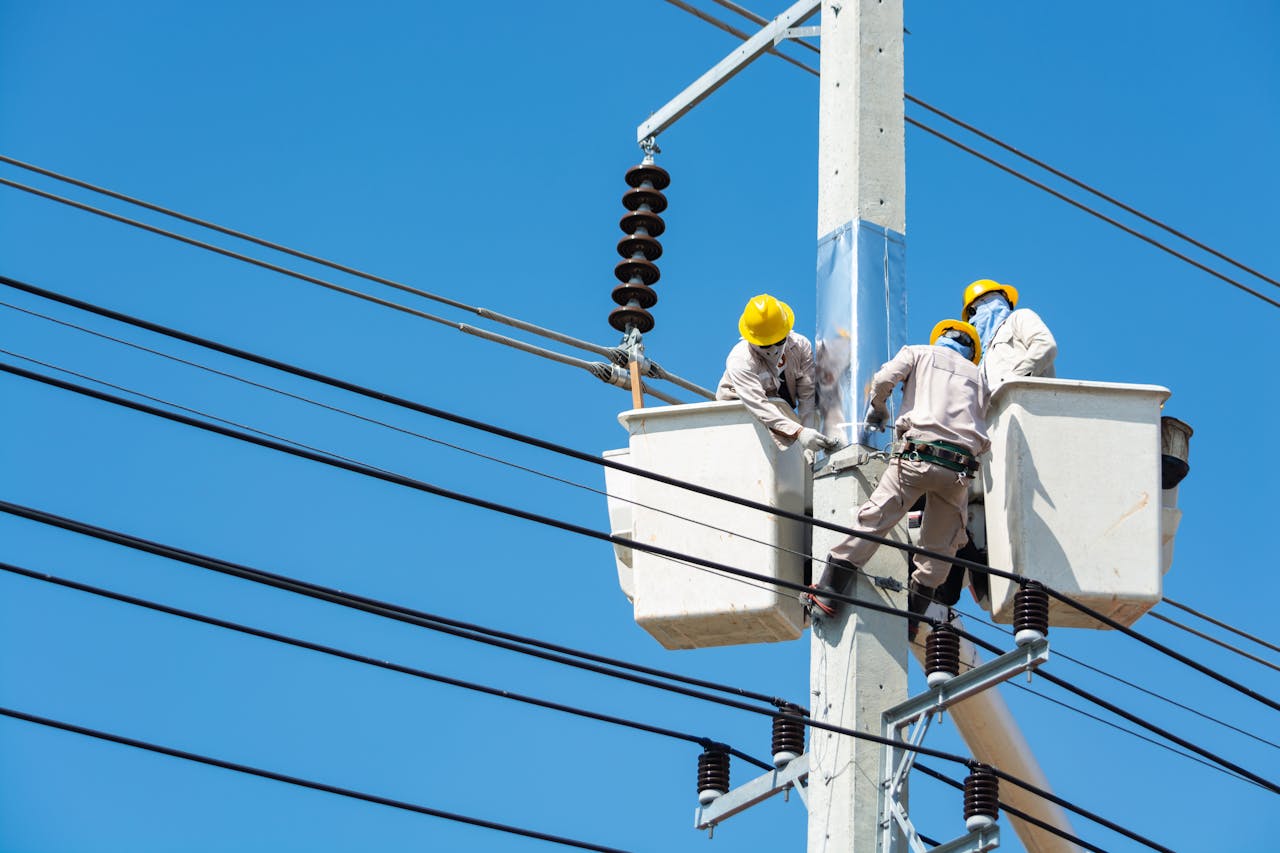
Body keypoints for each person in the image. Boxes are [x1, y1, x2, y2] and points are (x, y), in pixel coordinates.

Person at [807, 319, 989, 619]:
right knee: (939, 549)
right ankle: (914, 618)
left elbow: (883, 380)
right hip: (958, 470)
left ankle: (829, 591)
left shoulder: (918, 353)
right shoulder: (980, 377)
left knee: (876, 519)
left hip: (917, 456)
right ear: (972, 352)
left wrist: (879, 407)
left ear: (940, 338)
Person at [716, 293, 837, 454]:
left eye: (779, 341)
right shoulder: (741, 360)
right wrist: (798, 432)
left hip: (779, 416)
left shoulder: (800, 347)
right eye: (765, 345)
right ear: (751, 339)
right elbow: (757, 404)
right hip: (739, 417)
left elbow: (807, 396)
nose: (773, 350)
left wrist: (808, 436)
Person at [962, 278, 1056, 387]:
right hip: (1005, 402)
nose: (971, 321)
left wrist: (1016, 379)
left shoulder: (1019, 318)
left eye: (972, 313)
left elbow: (1045, 345)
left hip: (1033, 398)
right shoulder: (983, 361)